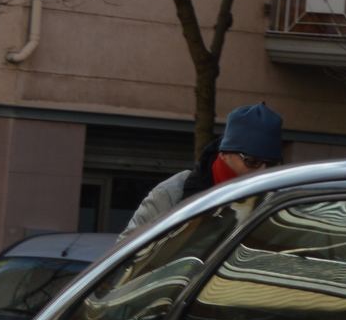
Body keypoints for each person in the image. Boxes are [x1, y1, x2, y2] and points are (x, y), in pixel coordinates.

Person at [119, 101, 283, 243]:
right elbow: (126, 254)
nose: (263, 171)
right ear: (224, 154)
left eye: (271, 164)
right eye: (252, 161)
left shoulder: (279, 202)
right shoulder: (172, 194)